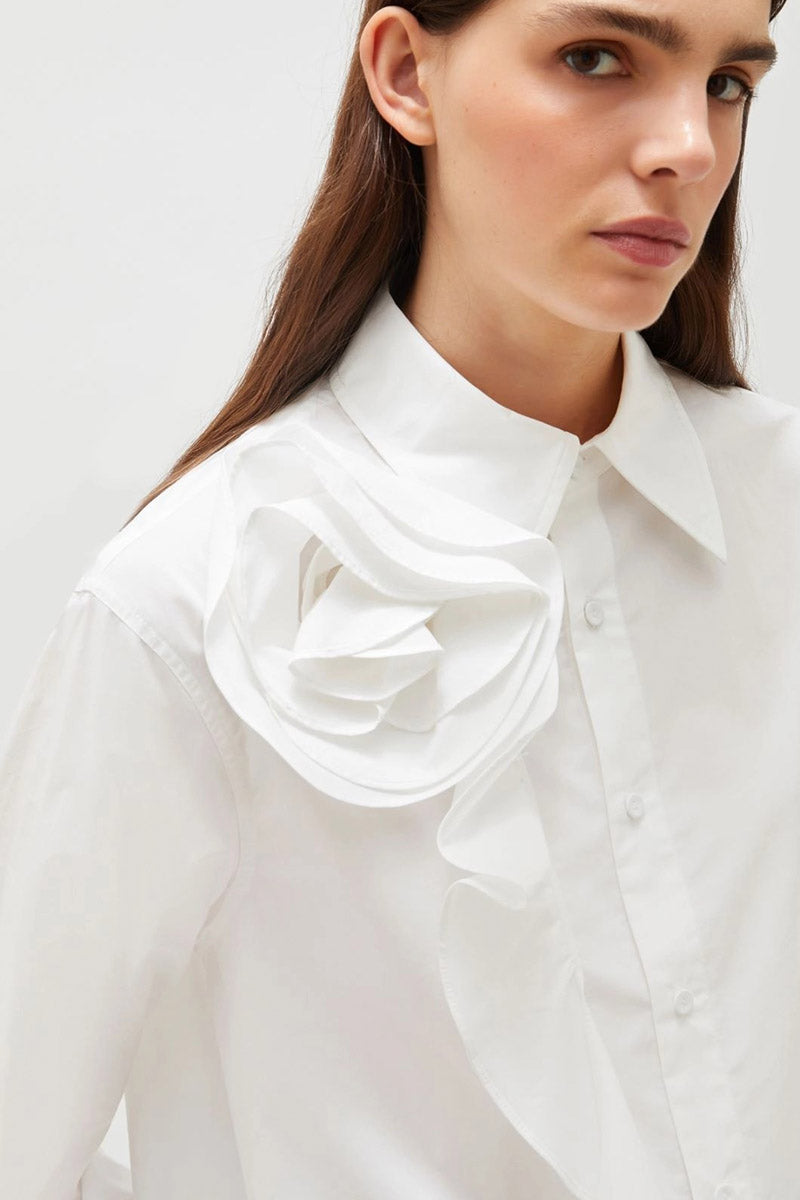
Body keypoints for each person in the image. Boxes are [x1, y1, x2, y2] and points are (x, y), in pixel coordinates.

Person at [0, 0, 795, 1196]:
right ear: (405, 73)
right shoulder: (187, 603)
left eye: (728, 83)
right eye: (595, 58)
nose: (687, 145)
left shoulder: (778, 509)